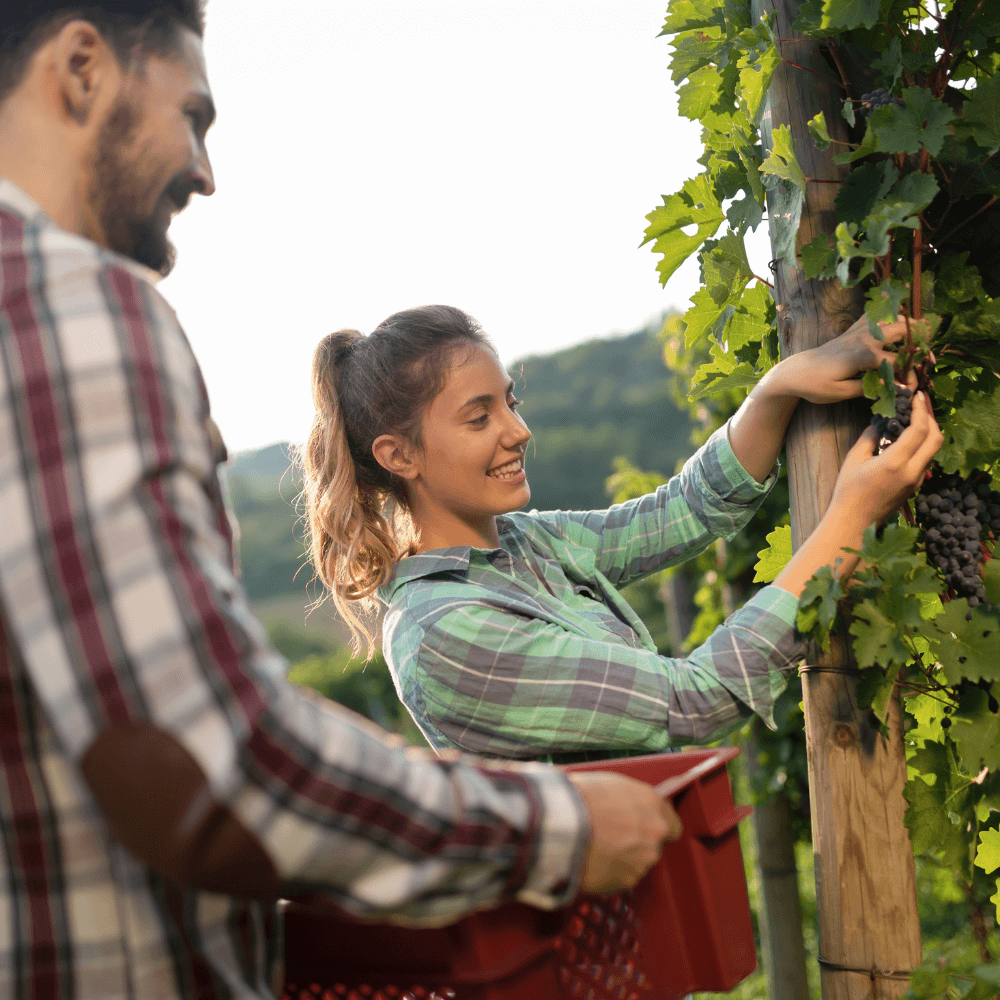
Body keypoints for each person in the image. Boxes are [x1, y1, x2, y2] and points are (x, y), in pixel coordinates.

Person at [0, 4, 686, 998]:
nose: (205, 171)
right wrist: (555, 827)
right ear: (80, 69)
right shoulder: (73, 308)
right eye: (191, 116)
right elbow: (212, 762)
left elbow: (99, 717)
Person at [303, 305, 943, 760]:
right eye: (479, 417)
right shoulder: (446, 633)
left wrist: (778, 388)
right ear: (399, 456)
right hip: (593, 942)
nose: (517, 431)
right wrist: (849, 521)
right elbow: (693, 701)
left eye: (510, 403)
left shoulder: (523, 544)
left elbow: (684, 511)